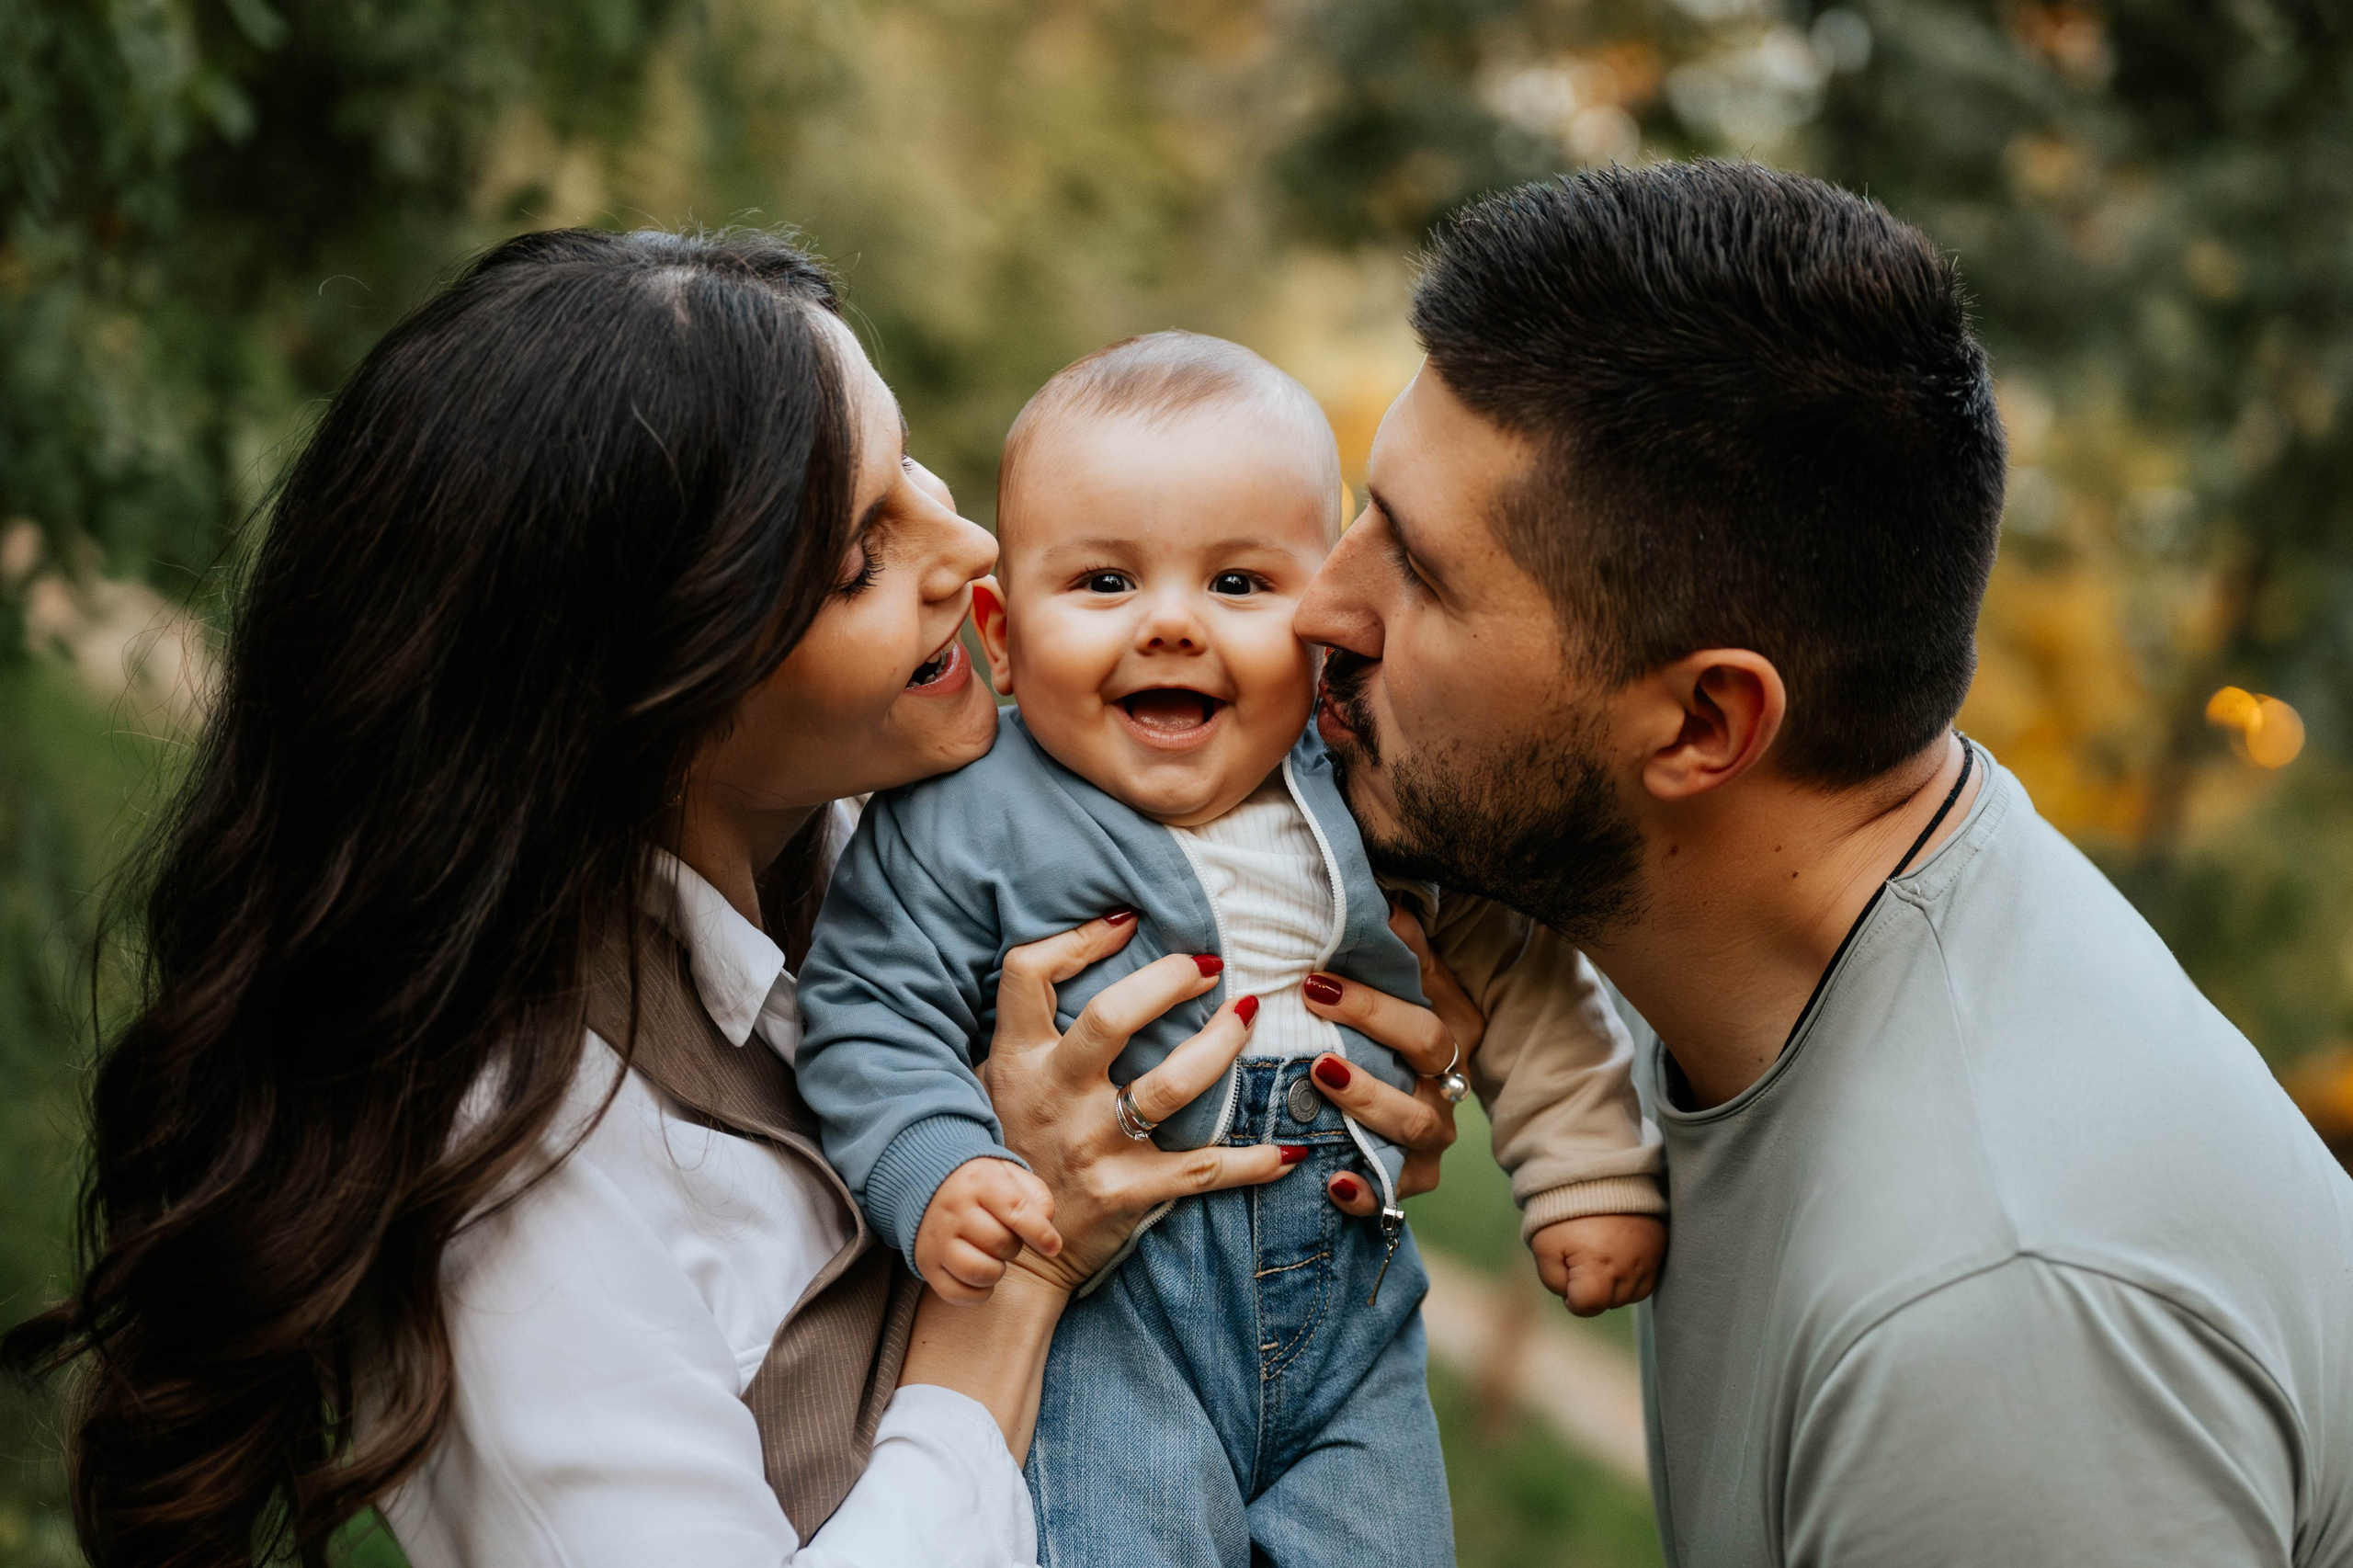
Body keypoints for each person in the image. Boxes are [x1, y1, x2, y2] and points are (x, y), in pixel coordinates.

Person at [0, 228, 1463, 1568]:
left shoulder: (888, 845)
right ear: (655, 689)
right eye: (857, 558)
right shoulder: (523, 1164)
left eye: (919, 479)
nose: (970, 561)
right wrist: (1018, 1279)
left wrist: (1320, 1080)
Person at [1296, 160, 2353, 1566]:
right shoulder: (1796, 950)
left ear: (1705, 721)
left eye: (1419, 574)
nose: (1321, 601)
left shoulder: (1992, 1317)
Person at [792, 333, 1663, 1564]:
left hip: (1351, 1333)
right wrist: (939, 1167)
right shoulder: (961, 817)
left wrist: (1583, 1170)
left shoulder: (1359, 786)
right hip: (1115, 1324)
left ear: (1322, 625)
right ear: (1001, 629)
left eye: (1239, 586)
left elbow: (1513, 969)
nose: (1171, 627)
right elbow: (869, 1011)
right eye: (1104, 583)